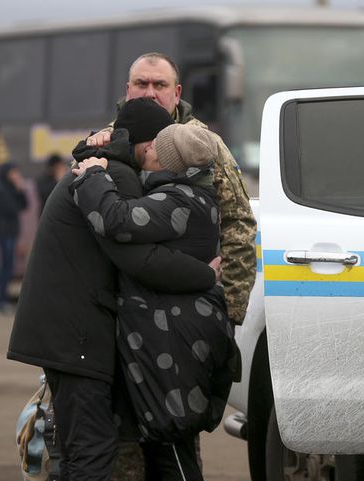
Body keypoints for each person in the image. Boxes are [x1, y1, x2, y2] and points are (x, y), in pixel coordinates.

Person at [7, 98, 219, 481]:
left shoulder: (105, 167)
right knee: (92, 451)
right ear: (143, 143)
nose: (159, 151)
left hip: (62, 330)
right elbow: (137, 257)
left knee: (74, 452)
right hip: (77, 335)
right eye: (157, 143)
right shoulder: (114, 177)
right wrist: (206, 276)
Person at [72, 121, 239, 481]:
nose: (147, 151)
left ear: (170, 162)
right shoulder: (193, 194)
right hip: (175, 340)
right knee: (166, 446)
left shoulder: (178, 201)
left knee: (172, 447)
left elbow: (115, 219)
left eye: (155, 150)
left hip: (173, 346)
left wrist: (92, 176)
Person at [87, 52, 257, 326]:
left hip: (189, 304)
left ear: (177, 93)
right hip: (118, 308)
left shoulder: (203, 144)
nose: (150, 93)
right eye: (141, 84)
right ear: (128, 90)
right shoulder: (102, 142)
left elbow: (238, 222)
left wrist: (231, 310)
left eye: (160, 85)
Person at [0, 162, 28, 313]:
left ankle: (3, 300)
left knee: (9, 266)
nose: (16, 176)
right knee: (5, 268)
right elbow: (12, 209)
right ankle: (1, 301)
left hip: (12, 233)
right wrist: (17, 190)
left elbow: (25, 205)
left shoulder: (11, 189)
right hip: (4, 234)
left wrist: (20, 190)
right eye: (14, 172)